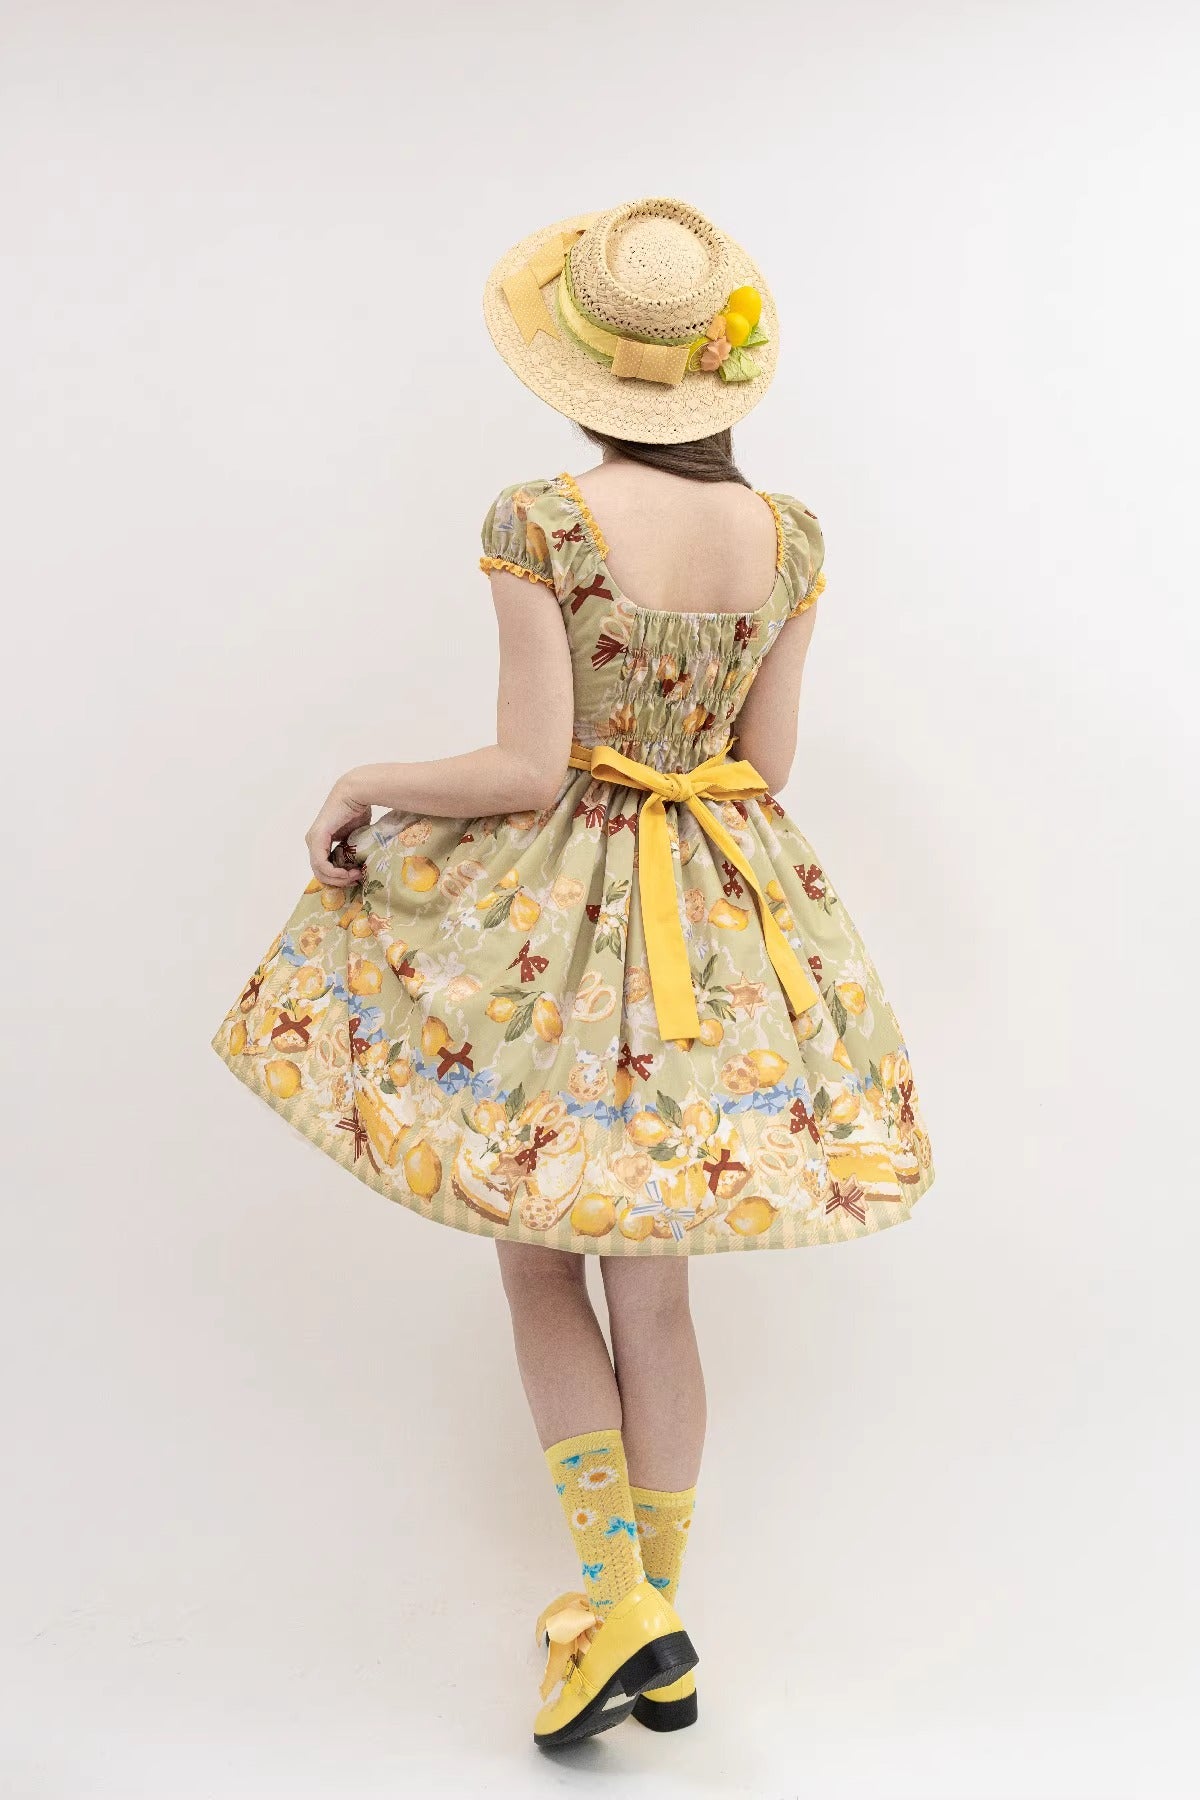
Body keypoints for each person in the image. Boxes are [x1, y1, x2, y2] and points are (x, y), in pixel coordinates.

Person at [211, 196, 935, 1748]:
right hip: (715, 925)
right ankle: (653, 1623)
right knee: (656, 1289)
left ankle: (618, 1607)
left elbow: (530, 770)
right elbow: (768, 764)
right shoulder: (790, 537)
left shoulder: (541, 521)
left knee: (541, 1254)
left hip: (563, 934)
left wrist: (365, 778)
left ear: (584, 366)